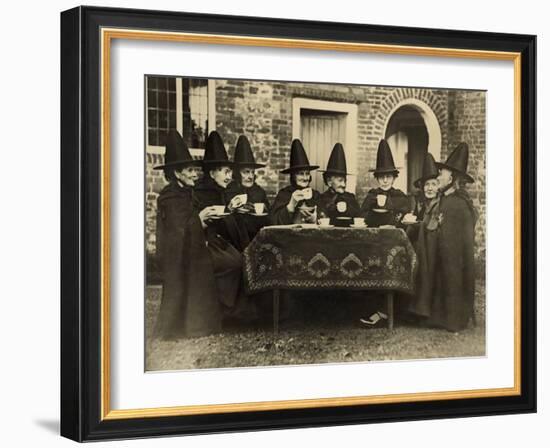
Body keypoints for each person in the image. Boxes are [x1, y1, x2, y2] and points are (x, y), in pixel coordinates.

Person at [153, 130, 222, 339]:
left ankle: (200, 324)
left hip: (191, 250)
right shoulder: (169, 197)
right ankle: (186, 326)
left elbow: (189, 223)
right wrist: (199, 220)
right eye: (189, 170)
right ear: (176, 174)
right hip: (176, 256)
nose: (195, 174)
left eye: (195, 170)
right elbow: (177, 231)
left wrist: (204, 219)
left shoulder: (187, 193)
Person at [192, 130, 253, 320]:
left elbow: (228, 219)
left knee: (244, 257)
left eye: (230, 172)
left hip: (224, 241)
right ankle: (226, 311)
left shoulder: (225, 190)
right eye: (226, 172)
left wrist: (236, 211)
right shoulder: (199, 192)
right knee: (233, 263)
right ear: (212, 173)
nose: (229, 177)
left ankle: (236, 310)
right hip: (206, 243)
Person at [428, 142, 478, 332]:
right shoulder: (446, 199)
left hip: (455, 257)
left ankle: (454, 318)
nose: (439, 176)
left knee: (452, 276)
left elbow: (458, 239)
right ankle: (441, 316)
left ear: (452, 178)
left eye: (443, 174)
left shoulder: (458, 204)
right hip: (445, 252)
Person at [404, 152, 441, 320]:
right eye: (427, 185)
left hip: (436, 245)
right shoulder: (420, 203)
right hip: (421, 242)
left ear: (438, 187)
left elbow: (433, 225)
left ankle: (423, 306)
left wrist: (418, 225)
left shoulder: (440, 203)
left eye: (433, 184)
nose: (430, 188)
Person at [226, 135, 270, 242]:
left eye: (252, 172)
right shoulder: (228, 191)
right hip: (233, 241)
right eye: (246, 172)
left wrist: (263, 208)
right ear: (237, 173)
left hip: (256, 239)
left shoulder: (260, 192)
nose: (250, 176)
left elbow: (268, 219)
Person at [271, 139, 323, 225]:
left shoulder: (315, 195)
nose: (305, 178)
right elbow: (273, 221)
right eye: (301, 174)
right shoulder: (284, 194)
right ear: (293, 176)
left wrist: (315, 218)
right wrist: (291, 205)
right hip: (289, 237)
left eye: (307, 173)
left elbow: (325, 217)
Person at [359, 139, 409, 228]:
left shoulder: (399, 196)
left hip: (394, 236)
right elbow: (362, 217)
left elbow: (405, 219)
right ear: (377, 178)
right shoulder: (372, 195)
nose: (385, 181)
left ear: (394, 178)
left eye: (388, 177)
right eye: (382, 177)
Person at [318, 143, 360, 224]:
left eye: (345, 181)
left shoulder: (351, 199)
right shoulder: (321, 199)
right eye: (340, 180)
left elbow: (359, 219)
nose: (344, 185)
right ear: (329, 182)